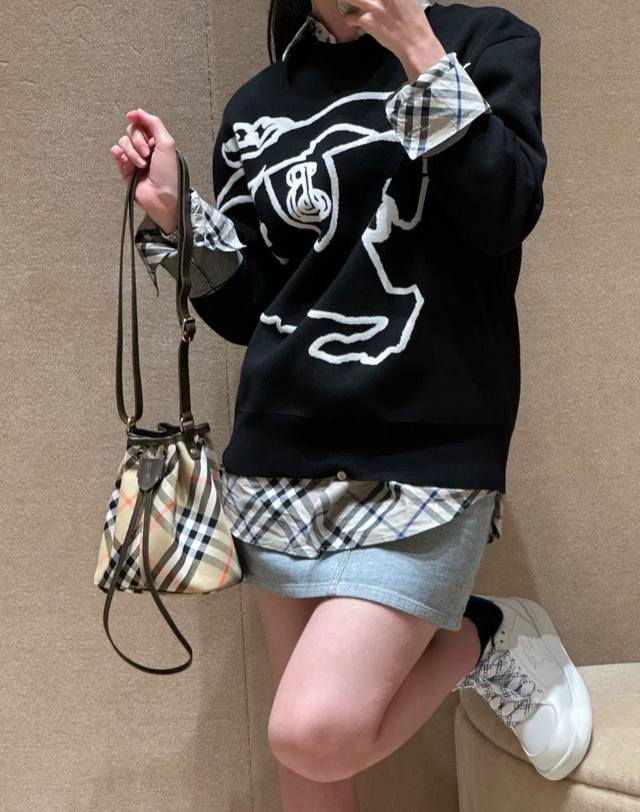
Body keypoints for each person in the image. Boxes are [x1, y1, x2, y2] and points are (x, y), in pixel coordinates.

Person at [111, 0, 592, 807]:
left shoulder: (483, 42)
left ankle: (484, 636)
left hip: (424, 455)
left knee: (313, 730)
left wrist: (417, 48)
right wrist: (177, 214)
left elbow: (506, 210)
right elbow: (251, 308)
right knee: (314, 776)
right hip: (279, 457)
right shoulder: (257, 105)